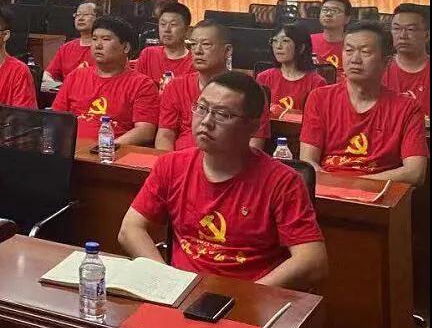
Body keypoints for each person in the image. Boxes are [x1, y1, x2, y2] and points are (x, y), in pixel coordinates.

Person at [118, 72, 328, 290]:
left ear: (253, 126)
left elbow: (312, 261)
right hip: (183, 292)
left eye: (222, 114)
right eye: (202, 108)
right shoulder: (171, 165)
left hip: (249, 296)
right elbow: (130, 229)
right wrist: (166, 280)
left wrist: (249, 295)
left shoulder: (282, 182)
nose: (206, 121)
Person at [300, 22, 428, 185]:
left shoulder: (407, 108)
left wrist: (353, 184)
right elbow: (308, 162)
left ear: (386, 62)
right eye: (349, 50)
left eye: (365, 52)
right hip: (328, 190)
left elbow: (415, 172)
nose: (355, 59)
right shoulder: (319, 98)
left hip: (379, 192)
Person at [156, 20, 270, 151]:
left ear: (227, 51)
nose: (197, 51)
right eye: (193, 44)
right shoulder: (176, 86)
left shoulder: (249, 91)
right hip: (181, 159)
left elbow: (254, 145)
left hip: (226, 161)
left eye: (206, 44)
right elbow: (165, 135)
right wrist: (170, 162)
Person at [51, 17, 159, 145]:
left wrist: (106, 147)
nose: (98, 45)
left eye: (106, 39)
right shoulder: (75, 76)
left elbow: (145, 131)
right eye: (94, 39)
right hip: (70, 149)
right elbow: (56, 118)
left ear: (125, 47)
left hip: (113, 151)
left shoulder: (142, 84)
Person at [256, 24, 327, 117]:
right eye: (275, 41)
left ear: (301, 47)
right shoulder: (264, 78)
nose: (278, 46)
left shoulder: (317, 83)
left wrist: (284, 114)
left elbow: (317, 118)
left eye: (285, 41)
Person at [134, 2, 195, 88]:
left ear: (187, 30)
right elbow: (136, 88)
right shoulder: (148, 54)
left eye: (173, 25)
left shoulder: (194, 62)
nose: (167, 30)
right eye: (163, 24)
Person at [384, 4, 429, 117]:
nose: (402, 35)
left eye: (410, 29)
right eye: (396, 29)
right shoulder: (378, 69)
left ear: (427, 35)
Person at [44, 1, 100, 83]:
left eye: (86, 14)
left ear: (98, 18)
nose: (80, 18)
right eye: (77, 15)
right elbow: (48, 74)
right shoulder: (66, 48)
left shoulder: (103, 48)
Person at [311, 0, 352, 75]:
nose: (328, 14)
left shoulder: (354, 44)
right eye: (325, 10)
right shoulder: (307, 41)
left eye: (335, 11)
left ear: (347, 19)